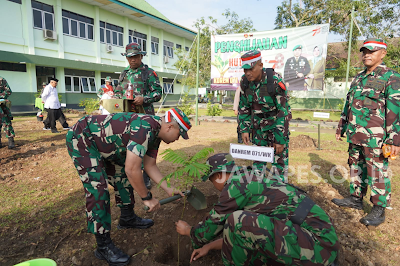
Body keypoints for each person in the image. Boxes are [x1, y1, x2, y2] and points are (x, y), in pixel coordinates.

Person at [66, 107, 191, 266]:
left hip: (107, 146)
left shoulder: (156, 134)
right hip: (83, 138)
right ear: (170, 127)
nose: (178, 139)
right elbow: (132, 169)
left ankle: (127, 218)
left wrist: (168, 188)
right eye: (179, 134)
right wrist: (147, 198)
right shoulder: (145, 127)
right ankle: (103, 246)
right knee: (98, 188)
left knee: (122, 178)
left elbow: (149, 165)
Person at [175, 153, 339, 266]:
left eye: (211, 180)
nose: (214, 186)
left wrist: (189, 231)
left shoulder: (235, 187)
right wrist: (209, 247)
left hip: (318, 249)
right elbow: (238, 232)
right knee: (240, 222)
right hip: (321, 240)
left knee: (237, 220)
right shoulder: (250, 176)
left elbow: (211, 227)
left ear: (218, 176)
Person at [332, 38, 400, 227]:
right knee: (356, 166)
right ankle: (355, 198)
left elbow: (395, 110)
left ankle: (379, 208)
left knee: (377, 171)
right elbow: (349, 104)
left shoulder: (391, 77)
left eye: (372, 51)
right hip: (356, 132)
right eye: (364, 51)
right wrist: (342, 126)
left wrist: (394, 139)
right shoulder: (358, 77)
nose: (367, 54)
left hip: (376, 137)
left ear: (383, 53)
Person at [238, 50, 290, 182]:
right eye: (245, 70)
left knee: (278, 163)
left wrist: (280, 139)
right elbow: (244, 107)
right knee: (258, 163)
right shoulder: (245, 82)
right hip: (258, 129)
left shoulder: (274, 81)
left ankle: (278, 194)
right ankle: (258, 191)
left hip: (275, 126)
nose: (247, 73)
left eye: (250, 69)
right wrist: (244, 129)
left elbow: (283, 112)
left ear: (260, 65)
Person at [118, 42, 163, 189]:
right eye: (129, 57)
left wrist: (144, 99)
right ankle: (130, 174)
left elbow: (158, 93)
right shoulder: (124, 73)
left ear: (141, 56)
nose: (132, 60)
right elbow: (119, 92)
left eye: (135, 57)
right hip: (127, 117)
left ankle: (146, 177)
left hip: (145, 117)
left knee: (146, 146)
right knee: (129, 146)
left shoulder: (148, 73)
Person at [0, 76, 15, 149]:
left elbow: (8, 91)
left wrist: (1, 97)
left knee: (6, 122)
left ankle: (10, 139)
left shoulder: (1, 79)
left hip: (1, 105)